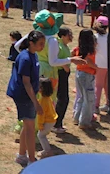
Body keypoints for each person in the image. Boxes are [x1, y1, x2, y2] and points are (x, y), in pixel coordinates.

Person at [7, 30, 46, 167]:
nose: (43, 46)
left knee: (27, 124)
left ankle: (21, 156)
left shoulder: (33, 55)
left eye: (44, 44)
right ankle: (32, 160)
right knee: (30, 127)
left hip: (29, 94)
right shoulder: (25, 58)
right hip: (24, 95)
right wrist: (36, 103)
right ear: (31, 43)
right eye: (40, 44)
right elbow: (26, 82)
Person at [72, 28, 97, 130]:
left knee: (81, 97)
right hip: (87, 75)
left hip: (79, 73)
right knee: (88, 99)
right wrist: (96, 67)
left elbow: (72, 54)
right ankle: (84, 122)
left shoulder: (78, 49)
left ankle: (77, 118)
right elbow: (88, 61)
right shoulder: (90, 51)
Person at [53, 27, 73, 133]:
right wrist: (65, 66)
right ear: (63, 36)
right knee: (63, 99)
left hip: (64, 74)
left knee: (63, 99)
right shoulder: (59, 46)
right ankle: (56, 124)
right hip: (60, 74)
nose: (71, 37)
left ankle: (58, 123)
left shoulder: (63, 45)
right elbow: (55, 59)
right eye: (69, 35)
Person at [36, 78, 57, 158]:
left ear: (41, 89)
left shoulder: (42, 101)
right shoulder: (47, 98)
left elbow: (41, 114)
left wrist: (40, 125)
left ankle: (47, 151)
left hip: (48, 121)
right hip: (52, 120)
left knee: (41, 136)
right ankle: (47, 150)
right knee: (42, 135)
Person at [93, 16, 109, 114]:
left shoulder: (95, 37)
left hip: (99, 64)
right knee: (107, 85)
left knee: (98, 85)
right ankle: (108, 104)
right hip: (109, 64)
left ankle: (96, 106)